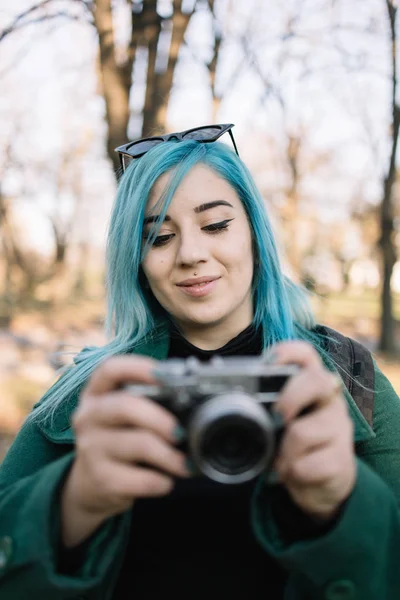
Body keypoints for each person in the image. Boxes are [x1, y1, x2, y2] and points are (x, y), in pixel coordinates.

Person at [0, 123, 400, 600]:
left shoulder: (347, 375)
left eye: (215, 225)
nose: (191, 254)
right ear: (136, 260)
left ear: (254, 231)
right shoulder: (89, 391)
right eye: (160, 237)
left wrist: (343, 507)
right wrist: (69, 506)